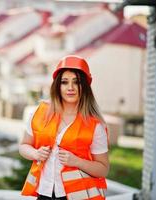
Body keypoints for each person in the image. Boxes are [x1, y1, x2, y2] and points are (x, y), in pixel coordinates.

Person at [19, 55, 109, 200]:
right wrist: (35, 154)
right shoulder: (40, 112)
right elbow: (23, 146)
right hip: (44, 193)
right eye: (64, 82)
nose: (70, 88)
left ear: (84, 86)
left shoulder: (95, 125)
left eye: (76, 82)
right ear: (57, 86)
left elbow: (103, 169)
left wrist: (77, 161)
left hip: (78, 196)